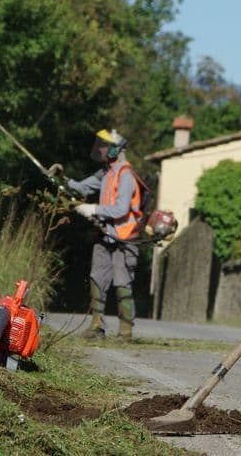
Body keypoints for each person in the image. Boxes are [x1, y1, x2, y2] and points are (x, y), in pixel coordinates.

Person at [68, 128, 142, 340]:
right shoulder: (106, 173)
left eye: (104, 145)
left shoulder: (125, 175)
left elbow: (120, 209)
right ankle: (96, 326)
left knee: (122, 282)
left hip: (124, 238)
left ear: (115, 150)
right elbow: (82, 187)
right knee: (97, 278)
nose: (100, 148)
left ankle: (125, 331)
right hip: (105, 235)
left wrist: (94, 209)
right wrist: (62, 179)